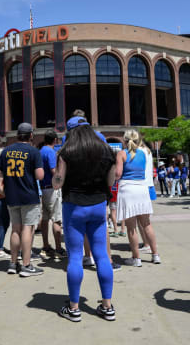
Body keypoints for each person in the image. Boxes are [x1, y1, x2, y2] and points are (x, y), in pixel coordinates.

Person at [53, 119, 117, 322]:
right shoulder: (106, 150)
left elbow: (58, 183)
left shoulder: (66, 152)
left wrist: (56, 174)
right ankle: (107, 306)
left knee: (74, 257)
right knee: (102, 256)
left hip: (74, 207)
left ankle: (74, 308)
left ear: (71, 132)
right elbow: (111, 180)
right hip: (98, 206)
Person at [0, 122, 45, 277]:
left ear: (17, 135)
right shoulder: (33, 152)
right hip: (29, 196)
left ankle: (12, 263)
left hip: (12, 197)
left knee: (15, 229)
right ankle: (26, 265)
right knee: (27, 229)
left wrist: (5, 192)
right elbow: (40, 175)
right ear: (31, 135)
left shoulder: (6, 151)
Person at [116, 129, 160, 266]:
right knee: (147, 224)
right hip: (142, 189)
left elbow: (118, 174)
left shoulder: (122, 154)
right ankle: (155, 255)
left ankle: (136, 258)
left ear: (124, 140)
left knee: (131, 227)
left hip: (128, 189)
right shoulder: (143, 153)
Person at [39, 129, 66, 259]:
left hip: (42, 188)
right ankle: (58, 248)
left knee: (45, 219)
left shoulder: (40, 151)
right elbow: (53, 170)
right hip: (52, 189)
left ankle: (46, 246)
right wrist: (61, 181)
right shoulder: (50, 152)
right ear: (55, 140)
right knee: (57, 219)